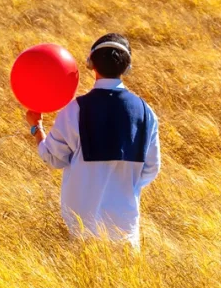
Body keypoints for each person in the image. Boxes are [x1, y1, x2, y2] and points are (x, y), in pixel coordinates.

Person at [26, 33, 160, 247]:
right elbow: (151, 169)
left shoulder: (75, 110)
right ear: (127, 68)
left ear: (91, 64)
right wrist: (124, 186)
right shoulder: (147, 113)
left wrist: (36, 127)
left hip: (80, 229)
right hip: (125, 229)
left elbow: (52, 158)